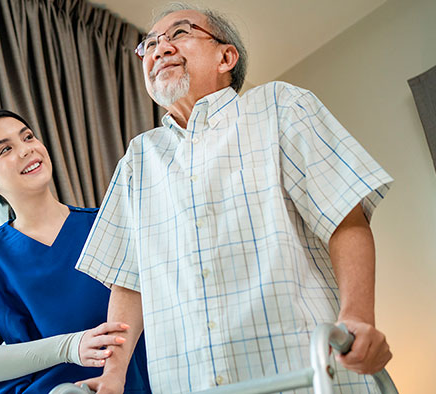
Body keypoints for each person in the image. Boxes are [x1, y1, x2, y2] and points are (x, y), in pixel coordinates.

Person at [75, 4, 393, 394]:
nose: (160, 48)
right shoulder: (137, 159)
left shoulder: (279, 106)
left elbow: (345, 217)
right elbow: (128, 281)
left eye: (179, 34)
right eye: (150, 44)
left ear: (226, 57)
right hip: (189, 384)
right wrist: (114, 373)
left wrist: (358, 318)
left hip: (305, 373)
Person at [0, 109, 150, 394]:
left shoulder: (108, 225)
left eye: (28, 137)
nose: (27, 149)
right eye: (6, 149)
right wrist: (68, 347)